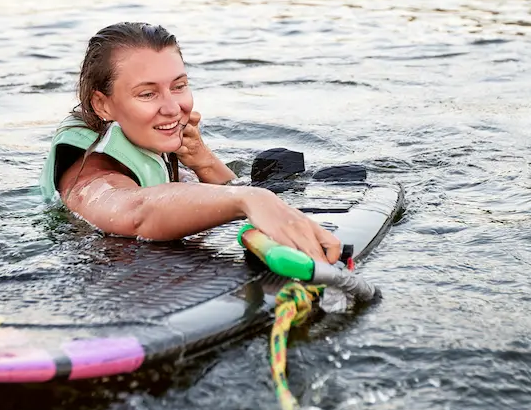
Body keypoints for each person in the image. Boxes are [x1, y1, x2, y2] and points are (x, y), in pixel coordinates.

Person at [39, 22, 340, 264]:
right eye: (147, 94)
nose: (172, 108)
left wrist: (203, 160)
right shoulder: (89, 178)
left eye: (179, 86)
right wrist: (253, 199)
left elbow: (217, 192)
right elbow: (137, 213)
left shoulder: (142, 139)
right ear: (102, 106)